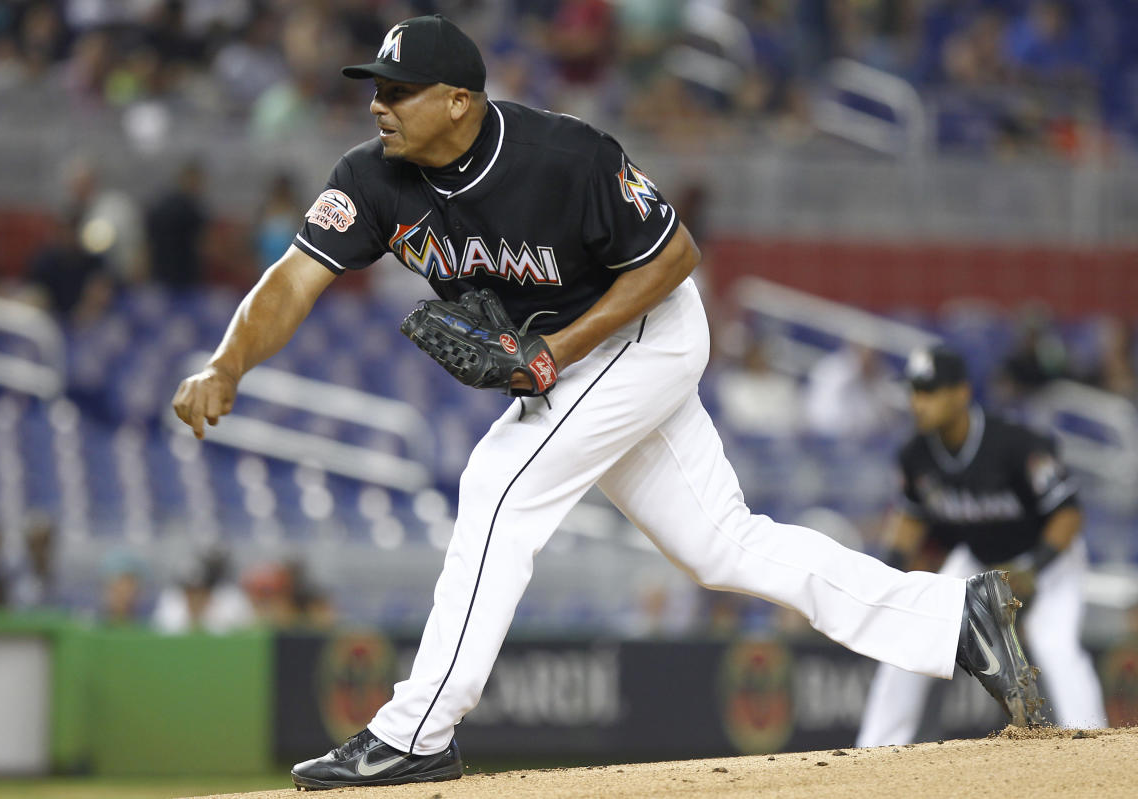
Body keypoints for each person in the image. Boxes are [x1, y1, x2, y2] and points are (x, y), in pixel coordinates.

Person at [172, 16, 1045, 789]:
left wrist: (556, 351)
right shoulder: (371, 181)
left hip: (648, 329)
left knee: (497, 486)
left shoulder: (564, 153)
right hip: (582, 357)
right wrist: (226, 364)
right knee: (721, 546)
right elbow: (292, 279)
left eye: (400, 91)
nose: (379, 104)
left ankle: (416, 733)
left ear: (461, 101)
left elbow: (673, 257)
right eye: (376, 88)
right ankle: (956, 618)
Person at [856, 346, 1107, 748]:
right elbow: (912, 518)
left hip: (1046, 558)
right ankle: (874, 749)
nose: (918, 402)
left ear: (961, 393)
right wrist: (890, 576)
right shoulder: (915, 454)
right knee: (912, 632)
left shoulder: (1014, 444)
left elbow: (1069, 514)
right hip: (978, 558)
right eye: (915, 391)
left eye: (930, 391)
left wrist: (1032, 568)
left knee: (1054, 644)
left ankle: (1094, 748)